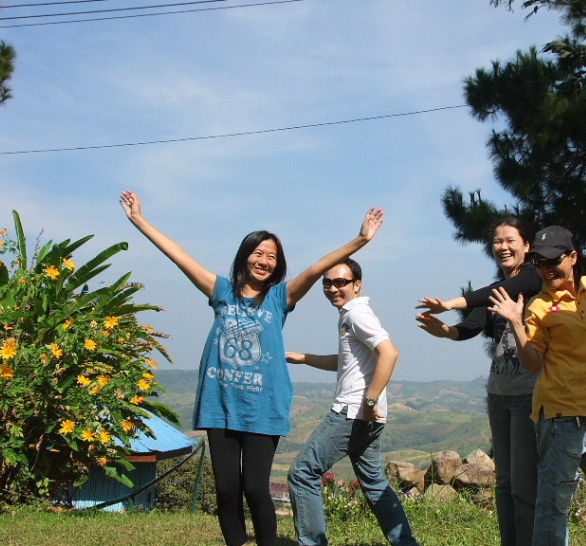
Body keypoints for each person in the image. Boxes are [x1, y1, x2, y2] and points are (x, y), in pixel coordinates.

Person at [119, 191, 384, 546]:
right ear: (245, 256)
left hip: (264, 408)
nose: (264, 260)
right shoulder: (221, 291)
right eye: (258, 253)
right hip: (220, 405)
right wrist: (140, 220)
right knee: (227, 490)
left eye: (272, 256)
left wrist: (361, 240)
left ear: (278, 265)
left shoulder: (279, 298)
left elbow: (316, 269)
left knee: (256, 488)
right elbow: (179, 256)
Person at [415, 217, 540, 546]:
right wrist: (445, 330)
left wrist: (449, 304)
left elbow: (496, 294)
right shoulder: (497, 289)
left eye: (510, 240)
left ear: (527, 245)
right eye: (498, 241)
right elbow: (470, 326)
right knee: (505, 483)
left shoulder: (533, 279)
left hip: (529, 393)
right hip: (499, 393)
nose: (503, 247)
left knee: (525, 484)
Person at [488, 225, 586, 546]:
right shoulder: (540, 306)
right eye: (540, 263)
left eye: (553, 261)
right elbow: (534, 363)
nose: (546, 269)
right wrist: (516, 323)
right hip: (561, 418)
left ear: (573, 257)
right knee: (553, 507)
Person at [286, 258, 422, 546]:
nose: (333, 288)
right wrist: (305, 358)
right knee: (374, 481)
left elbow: (390, 353)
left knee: (303, 472)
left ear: (357, 285)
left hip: (352, 412)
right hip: (368, 416)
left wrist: (370, 399)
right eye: (328, 283)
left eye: (341, 282)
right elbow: (348, 361)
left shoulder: (356, 314)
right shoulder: (352, 314)